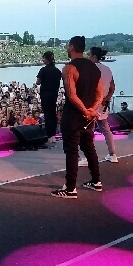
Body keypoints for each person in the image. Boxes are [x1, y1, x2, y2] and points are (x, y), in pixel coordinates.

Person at [51, 36, 103, 199]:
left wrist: (85, 111)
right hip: (89, 117)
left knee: (72, 151)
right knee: (89, 147)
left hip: (73, 116)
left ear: (72, 47)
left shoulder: (69, 68)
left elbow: (72, 96)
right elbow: (100, 93)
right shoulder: (95, 68)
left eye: (68, 46)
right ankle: (96, 181)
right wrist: (92, 110)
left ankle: (70, 188)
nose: (67, 48)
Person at [79, 46, 118, 166]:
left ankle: (88, 157)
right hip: (103, 103)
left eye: (89, 55)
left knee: (88, 131)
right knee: (106, 129)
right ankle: (113, 155)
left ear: (94, 56)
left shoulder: (90, 69)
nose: (87, 56)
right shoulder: (107, 69)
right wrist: (107, 98)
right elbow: (112, 87)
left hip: (92, 103)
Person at [36, 51, 62, 143]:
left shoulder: (43, 70)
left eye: (43, 58)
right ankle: (53, 135)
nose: (42, 60)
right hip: (54, 95)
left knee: (47, 114)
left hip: (45, 95)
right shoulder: (58, 71)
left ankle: (49, 134)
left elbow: (38, 82)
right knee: (53, 114)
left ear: (46, 59)